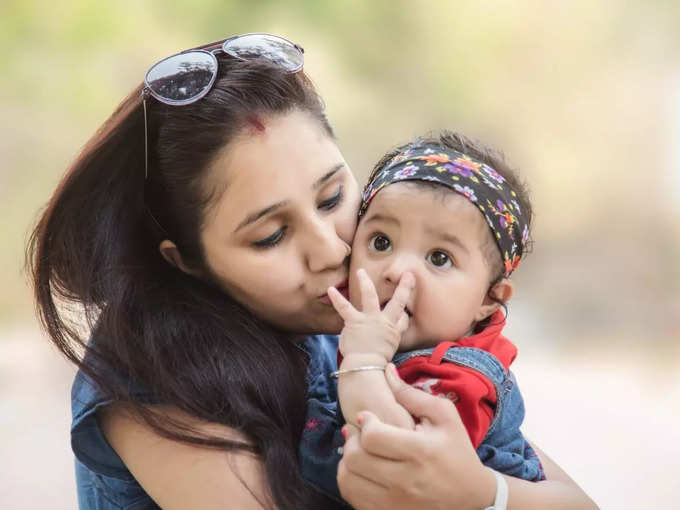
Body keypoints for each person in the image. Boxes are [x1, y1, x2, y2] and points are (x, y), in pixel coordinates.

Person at [27, 33, 597, 509]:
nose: (330, 250)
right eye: (271, 236)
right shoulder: (152, 378)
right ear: (188, 262)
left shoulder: (345, 330)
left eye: (332, 198)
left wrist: (483, 491)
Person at [301, 132, 544, 500]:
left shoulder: (461, 375)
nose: (397, 270)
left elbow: (394, 457)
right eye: (381, 242)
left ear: (489, 299)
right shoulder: (351, 328)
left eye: (439, 258)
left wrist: (364, 361)